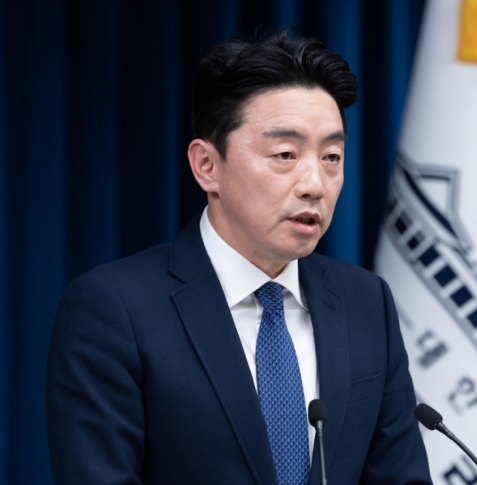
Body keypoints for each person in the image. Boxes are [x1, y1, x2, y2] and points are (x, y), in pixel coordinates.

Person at [46, 30, 432, 485]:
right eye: (285, 154)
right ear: (207, 166)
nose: (315, 184)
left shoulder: (366, 302)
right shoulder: (115, 310)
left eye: (331, 156)